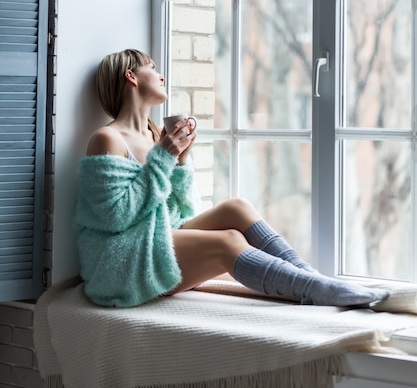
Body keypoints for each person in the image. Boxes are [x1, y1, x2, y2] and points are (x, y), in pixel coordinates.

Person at [74, 48, 390, 309]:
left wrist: (180, 161)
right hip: (120, 264)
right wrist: (165, 156)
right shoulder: (107, 139)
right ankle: (317, 289)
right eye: (152, 67)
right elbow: (115, 218)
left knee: (237, 207)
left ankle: (313, 280)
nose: (161, 74)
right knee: (229, 241)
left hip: (157, 241)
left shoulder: (155, 134)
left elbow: (183, 211)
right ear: (131, 76)